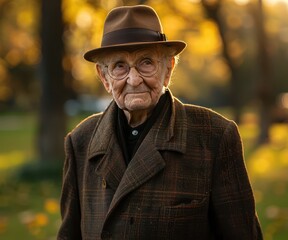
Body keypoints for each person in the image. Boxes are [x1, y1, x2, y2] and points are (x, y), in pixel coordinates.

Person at [57, 5, 263, 240]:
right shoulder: (81, 141)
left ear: (168, 69)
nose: (134, 80)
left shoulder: (215, 136)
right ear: (104, 77)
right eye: (119, 66)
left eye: (146, 62)